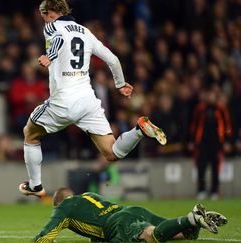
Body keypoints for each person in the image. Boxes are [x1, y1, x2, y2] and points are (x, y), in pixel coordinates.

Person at [19, 0, 167, 197]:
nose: (43, 19)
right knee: (111, 153)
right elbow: (112, 59)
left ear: (51, 12)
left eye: (43, 15)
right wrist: (120, 84)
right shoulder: (85, 32)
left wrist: (50, 56)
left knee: (30, 132)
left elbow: (58, 41)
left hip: (63, 101)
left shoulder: (52, 26)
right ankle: (139, 130)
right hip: (88, 101)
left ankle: (35, 185)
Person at [34, 187, 227, 242]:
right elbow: (96, 223)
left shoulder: (62, 208)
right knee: (184, 234)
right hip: (132, 210)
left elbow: (43, 237)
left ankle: (191, 218)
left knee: (153, 236)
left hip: (119, 223)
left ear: (58, 203)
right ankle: (194, 221)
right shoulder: (88, 196)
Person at [189, 87, 232, 200]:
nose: (210, 97)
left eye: (212, 95)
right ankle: (201, 190)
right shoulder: (200, 108)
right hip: (202, 143)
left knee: (215, 168)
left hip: (217, 144)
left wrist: (227, 141)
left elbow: (227, 126)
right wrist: (192, 141)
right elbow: (194, 126)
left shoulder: (221, 108)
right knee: (201, 167)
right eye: (209, 95)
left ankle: (214, 191)